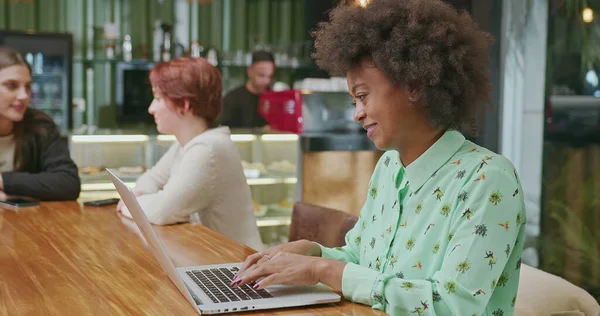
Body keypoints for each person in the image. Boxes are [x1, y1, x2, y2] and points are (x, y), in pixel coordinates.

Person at [233, 1, 526, 315]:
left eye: (362, 96)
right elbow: (363, 259)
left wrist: (322, 270)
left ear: (413, 85)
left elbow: (453, 304)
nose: (357, 114)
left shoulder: (486, 179)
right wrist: (314, 253)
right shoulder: (390, 166)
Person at [115, 57, 264, 251]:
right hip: (213, 260)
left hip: (237, 267)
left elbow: (163, 211)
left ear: (184, 105)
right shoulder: (187, 143)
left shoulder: (208, 149)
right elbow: (150, 179)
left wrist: (130, 203)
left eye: (158, 99)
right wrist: (143, 200)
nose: (151, 108)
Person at [0, 47, 80, 201]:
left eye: (28, 87)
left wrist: (6, 185)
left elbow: (69, 183)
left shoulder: (41, 126)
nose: (24, 96)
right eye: (11, 86)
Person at [219, 50, 275, 128]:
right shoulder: (232, 99)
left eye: (270, 76)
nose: (266, 81)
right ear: (250, 71)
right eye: (261, 75)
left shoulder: (275, 99)